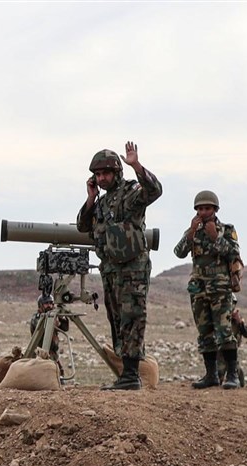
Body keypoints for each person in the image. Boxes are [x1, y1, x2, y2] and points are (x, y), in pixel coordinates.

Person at [76, 141, 163, 390]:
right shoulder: (101, 203)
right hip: (111, 269)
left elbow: (154, 190)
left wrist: (137, 165)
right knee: (116, 319)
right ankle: (127, 374)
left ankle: (131, 376)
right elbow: (83, 225)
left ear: (117, 172)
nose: (101, 178)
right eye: (97, 174)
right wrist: (91, 198)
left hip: (132, 268)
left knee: (132, 316)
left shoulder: (130, 192)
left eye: (106, 173)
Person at [173, 190, 243, 390]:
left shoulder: (226, 230)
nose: (203, 212)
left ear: (215, 209)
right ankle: (211, 375)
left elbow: (234, 254)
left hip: (220, 288)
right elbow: (178, 252)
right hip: (199, 288)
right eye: (200, 209)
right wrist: (190, 233)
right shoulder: (193, 231)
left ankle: (232, 374)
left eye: (207, 208)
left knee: (224, 330)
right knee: (205, 332)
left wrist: (215, 237)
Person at [29, 294, 70, 379]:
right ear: (41, 305)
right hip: (40, 353)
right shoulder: (37, 317)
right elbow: (42, 327)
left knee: (59, 375)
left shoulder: (53, 316)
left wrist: (62, 317)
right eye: (46, 303)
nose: (49, 306)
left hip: (53, 353)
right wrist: (53, 321)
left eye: (51, 303)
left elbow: (65, 328)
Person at [217, 308, 247, 388]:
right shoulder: (219, 318)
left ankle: (239, 382)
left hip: (232, 349)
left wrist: (240, 322)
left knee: (233, 367)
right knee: (220, 370)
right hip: (220, 349)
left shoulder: (238, 320)